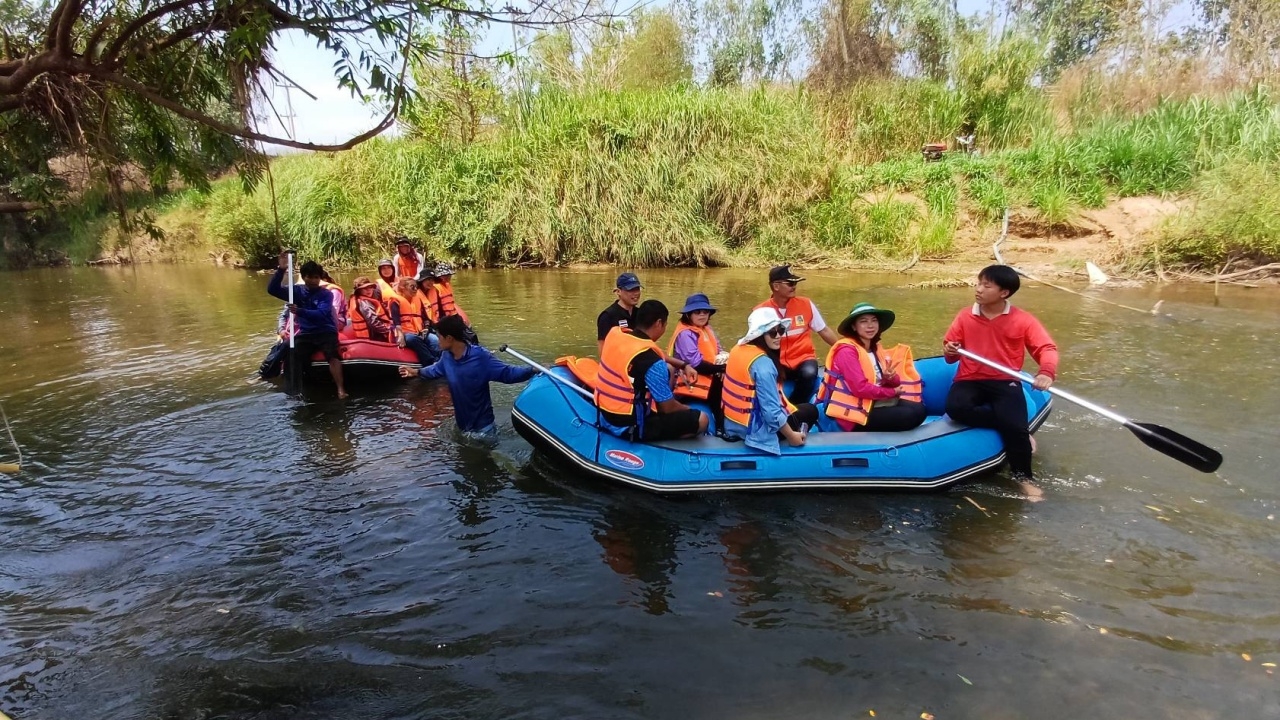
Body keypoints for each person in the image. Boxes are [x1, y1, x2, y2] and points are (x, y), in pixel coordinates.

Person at [943, 264, 1058, 493]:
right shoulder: (965, 315)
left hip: (1006, 379)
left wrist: (1046, 371)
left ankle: (1024, 479)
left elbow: (1046, 347)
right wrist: (951, 350)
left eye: (986, 285)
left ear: (1003, 293)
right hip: (970, 377)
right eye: (978, 283)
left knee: (1014, 429)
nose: (978, 289)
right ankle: (1017, 429)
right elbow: (949, 355)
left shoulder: (1023, 320)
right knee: (956, 408)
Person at [397, 315, 536, 435]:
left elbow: (509, 374)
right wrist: (416, 372)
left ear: (449, 338)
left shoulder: (480, 357)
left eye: (439, 337)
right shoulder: (446, 357)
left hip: (484, 429)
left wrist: (533, 370)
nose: (437, 341)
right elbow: (434, 370)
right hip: (462, 426)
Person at [596, 299, 708, 441]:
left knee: (668, 370)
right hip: (628, 424)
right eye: (665, 325)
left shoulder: (616, 335)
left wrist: (683, 365)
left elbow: (654, 354)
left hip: (605, 412)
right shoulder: (653, 364)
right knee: (702, 419)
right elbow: (667, 409)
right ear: (658, 323)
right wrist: (688, 409)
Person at [721, 308, 820, 454]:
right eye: (772, 332)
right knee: (811, 411)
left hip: (732, 425)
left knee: (796, 408)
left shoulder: (737, 349)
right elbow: (772, 414)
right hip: (756, 432)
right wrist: (792, 437)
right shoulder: (764, 365)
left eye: (780, 330)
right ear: (760, 335)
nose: (778, 336)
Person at [818, 302, 926, 432]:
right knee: (909, 415)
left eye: (874, 321)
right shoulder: (847, 351)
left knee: (920, 410)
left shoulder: (875, 348)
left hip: (871, 403)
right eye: (863, 321)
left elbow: (894, 382)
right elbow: (860, 388)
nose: (870, 326)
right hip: (852, 414)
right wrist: (892, 392)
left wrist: (890, 378)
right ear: (854, 326)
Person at [754, 265, 839, 405]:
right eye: (790, 283)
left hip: (803, 358)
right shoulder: (760, 311)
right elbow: (754, 343)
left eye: (795, 283)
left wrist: (843, 348)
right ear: (776, 286)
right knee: (765, 377)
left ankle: (795, 410)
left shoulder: (806, 304)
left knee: (809, 374)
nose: (794, 287)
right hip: (776, 361)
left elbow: (823, 330)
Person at [267, 250, 347, 399]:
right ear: (304, 277)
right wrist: (282, 269)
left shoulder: (326, 294)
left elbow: (322, 314)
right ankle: (294, 390)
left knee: (332, 355)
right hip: (307, 333)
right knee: (292, 353)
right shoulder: (296, 291)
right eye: (310, 277)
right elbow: (272, 290)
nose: (313, 280)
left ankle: (340, 389)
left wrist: (300, 311)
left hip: (325, 331)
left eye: (316, 277)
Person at [666, 292, 728, 428]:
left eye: (705, 312)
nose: (702, 315)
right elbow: (696, 364)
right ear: (688, 315)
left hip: (708, 374)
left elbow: (719, 351)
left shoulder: (706, 329)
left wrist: (723, 366)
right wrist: (721, 369)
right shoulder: (685, 334)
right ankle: (721, 428)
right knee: (721, 391)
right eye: (697, 312)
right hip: (689, 382)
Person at [388, 276, 441, 364]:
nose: (415, 289)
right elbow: (395, 320)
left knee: (435, 339)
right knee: (412, 339)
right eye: (412, 287)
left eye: (416, 287)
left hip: (419, 331)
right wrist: (400, 335)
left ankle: (441, 360)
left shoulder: (417, 300)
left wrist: (426, 328)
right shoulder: (395, 301)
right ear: (403, 288)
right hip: (404, 333)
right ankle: (430, 361)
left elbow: (425, 318)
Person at [596, 272, 642, 354]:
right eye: (631, 290)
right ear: (618, 292)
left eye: (637, 289)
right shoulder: (607, 316)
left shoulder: (641, 313)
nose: (636, 293)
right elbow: (602, 349)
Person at [348, 276, 394, 342]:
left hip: (370, 336)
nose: (368, 290)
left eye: (370, 287)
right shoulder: (364, 303)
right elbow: (373, 323)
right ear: (358, 291)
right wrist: (390, 330)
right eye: (364, 288)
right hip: (374, 337)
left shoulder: (359, 300)